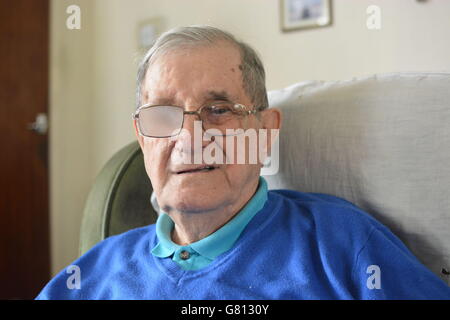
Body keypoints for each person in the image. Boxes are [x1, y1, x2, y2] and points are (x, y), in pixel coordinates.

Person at [37, 25, 450, 299]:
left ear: (266, 130)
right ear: (142, 138)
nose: (190, 137)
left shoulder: (341, 244)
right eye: (163, 114)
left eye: (218, 109)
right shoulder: (89, 275)